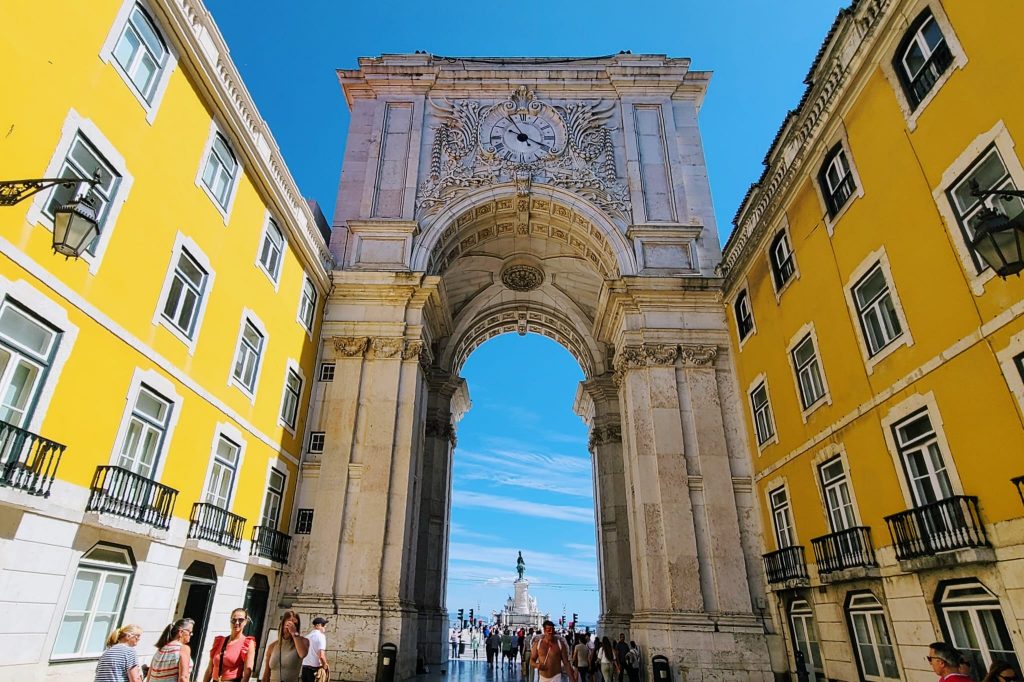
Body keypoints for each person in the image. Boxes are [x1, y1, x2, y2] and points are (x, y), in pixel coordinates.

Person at [204, 608, 257, 682]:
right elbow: (209, 670)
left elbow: (247, 673)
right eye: (234, 620)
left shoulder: (247, 643)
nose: (237, 623)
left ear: (245, 622)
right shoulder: (219, 641)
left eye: (240, 620)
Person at [263, 611, 310, 682]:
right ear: (283, 623)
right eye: (289, 623)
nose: (291, 626)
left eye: (295, 624)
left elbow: (302, 654)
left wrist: (294, 633)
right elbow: (267, 673)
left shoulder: (302, 641)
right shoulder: (272, 646)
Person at [301, 617, 329, 682]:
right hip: (314, 669)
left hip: (304, 669)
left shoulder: (307, 636)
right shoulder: (321, 636)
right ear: (318, 626)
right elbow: (321, 655)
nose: (325, 626)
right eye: (323, 625)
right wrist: (325, 665)